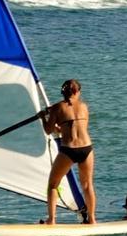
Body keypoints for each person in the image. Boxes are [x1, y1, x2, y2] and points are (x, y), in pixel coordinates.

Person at [41, 78, 96, 224]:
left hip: (69, 150)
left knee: (53, 184)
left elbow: (48, 130)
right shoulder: (84, 106)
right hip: (86, 149)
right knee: (87, 185)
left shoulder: (57, 107)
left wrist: (43, 118)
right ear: (77, 91)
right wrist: (57, 124)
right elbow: (75, 127)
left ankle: (51, 220)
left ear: (63, 91)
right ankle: (92, 219)